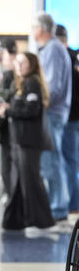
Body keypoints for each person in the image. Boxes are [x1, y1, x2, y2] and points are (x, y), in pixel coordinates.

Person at [0, 52, 55, 232]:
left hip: (29, 141)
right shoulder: (21, 84)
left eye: (23, 62)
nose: (19, 65)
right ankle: (15, 220)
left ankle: (43, 221)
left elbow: (32, 110)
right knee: (22, 181)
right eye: (18, 62)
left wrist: (9, 111)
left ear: (32, 65)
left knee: (31, 181)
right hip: (21, 140)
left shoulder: (32, 83)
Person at [32, 12, 72, 221]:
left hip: (52, 113)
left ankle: (57, 207)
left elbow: (53, 87)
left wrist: (39, 103)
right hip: (54, 113)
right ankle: (56, 204)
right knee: (51, 160)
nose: (32, 31)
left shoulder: (53, 50)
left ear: (42, 28)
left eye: (34, 26)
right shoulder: (51, 49)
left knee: (52, 160)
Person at [0, 39, 17, 201]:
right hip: (14, 130)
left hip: (9, 130)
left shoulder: (9, 76)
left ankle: (12, 197)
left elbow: (3, 105)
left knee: (8, 167)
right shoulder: (11, 75)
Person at [56, 24, 79, 215]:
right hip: (72, 117)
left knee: (69, 162)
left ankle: (72, 205)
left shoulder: (64, 58)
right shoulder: (74, 56)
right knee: (71, 162)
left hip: (69, 118)